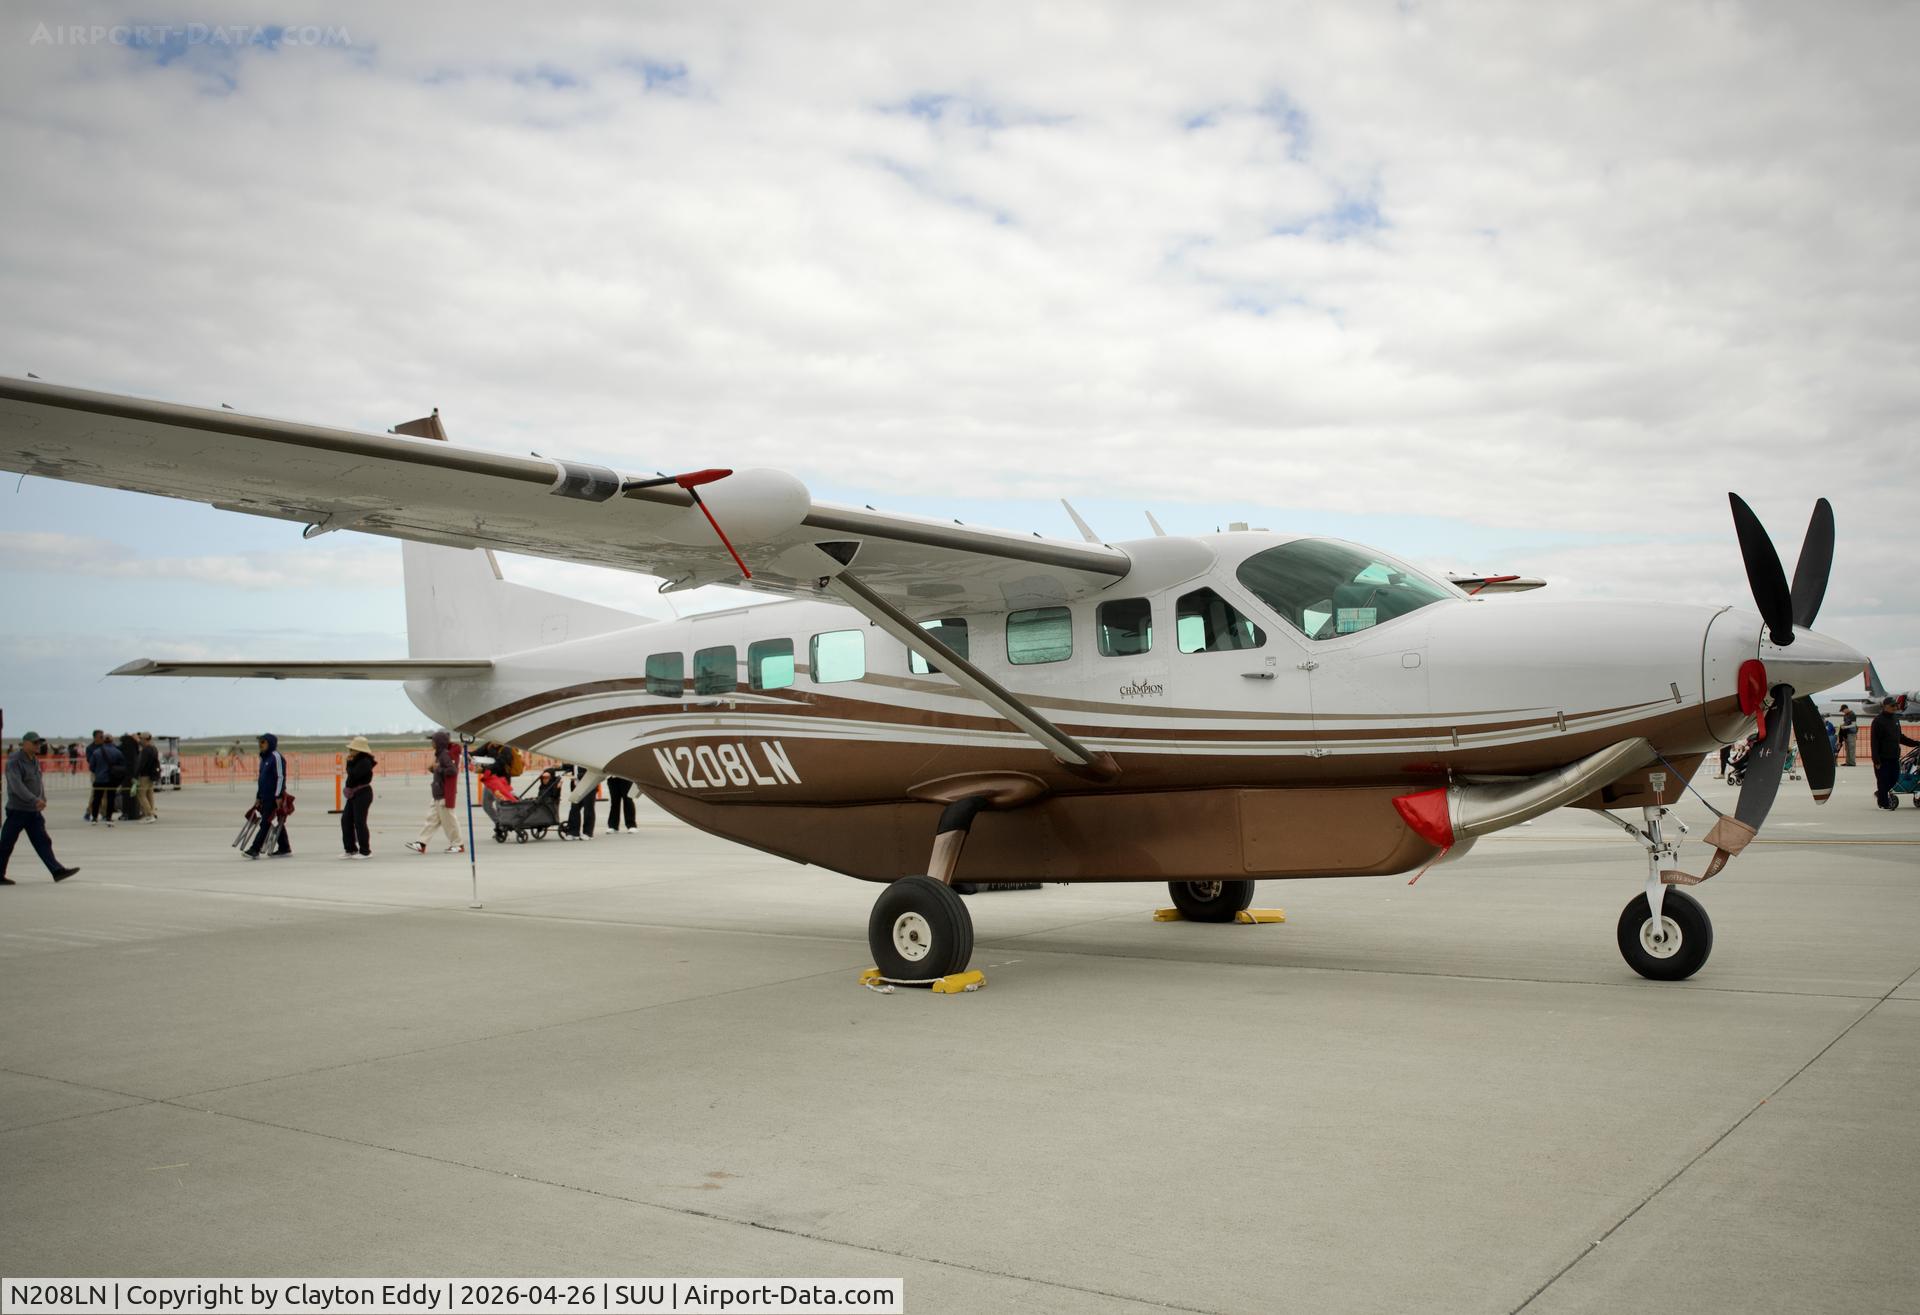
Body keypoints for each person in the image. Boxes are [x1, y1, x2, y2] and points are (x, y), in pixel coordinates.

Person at [2, 732, 81, 886]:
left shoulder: (34, 760)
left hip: (33, 812)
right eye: (35, 743)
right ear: (24, 744)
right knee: (6, 843)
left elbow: (38, 781)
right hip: (17, 810)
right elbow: (16, 785)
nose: (38, 746)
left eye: (39, 743)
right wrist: (34, 799)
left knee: (43, 841)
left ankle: (57, 871)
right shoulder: (14, 761)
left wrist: (42, 797)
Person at [406, 730, 465, 854]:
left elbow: (452, 771)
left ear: (439, 742)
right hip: (438, 794)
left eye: (433, 741)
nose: (431, 743)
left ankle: (458, 845)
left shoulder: (444, 755)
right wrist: (435, 770)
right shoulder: (440, 754)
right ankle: (421, 843)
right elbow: (443, 772)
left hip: (443, 794)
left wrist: (438, 769)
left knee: (450, 821)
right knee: (431, 820)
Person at [244, 732, 292, 858]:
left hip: (274, 797)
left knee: (265, 823)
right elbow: (262, 780)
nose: (260, 744)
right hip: (264, 797)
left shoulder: (276, 757)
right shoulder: (264, 758)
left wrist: (278, 796)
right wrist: (258, 797)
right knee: (275, 822)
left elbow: (281, 777)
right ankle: (284, 847)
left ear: (270, 743)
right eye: (259, 742)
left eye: (263, 742)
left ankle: (255, 848)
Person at [340, 735, 376, 859]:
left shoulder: (365, 761)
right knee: (346, 820)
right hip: (353, 794)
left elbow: (354, 774)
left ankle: (365, 851)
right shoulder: (355, 760)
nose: (350, 752)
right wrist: (349, 762)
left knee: (360, 822)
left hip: (363, 794)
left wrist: (349, 763)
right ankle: (350, 849)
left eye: (352, 749)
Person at [1870, 697, 1905, 810]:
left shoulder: (1895, 719)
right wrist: (1876, 760)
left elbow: (1900, 737)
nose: (1895, 708)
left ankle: (1881, 794)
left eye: (1896, 706)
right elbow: (1874, 742)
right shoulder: (1878, 721)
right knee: (1883, 780)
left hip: (1894, 756)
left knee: (1895, 778)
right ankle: (1884, 803)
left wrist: (1916, 743)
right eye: (1892, 706)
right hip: (1882, 757)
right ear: (1885, 706)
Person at [86, 729, 125, 826]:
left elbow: (91, 766)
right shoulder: (117, 752)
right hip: (112, 779)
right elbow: (122, 765)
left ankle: (94, 818)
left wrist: (98, 772)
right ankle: (108, 817)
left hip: (99, 779)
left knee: (97, 798)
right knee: (110, 798)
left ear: (104, 740)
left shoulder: (96, 752)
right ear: (112, 741)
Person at [562, 764, 596, 840]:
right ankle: (573, 832)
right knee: (574, 808)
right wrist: (560, 766)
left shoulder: (586, 759)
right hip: (577, 787)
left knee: (588, 809)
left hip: (589, 786)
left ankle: (588, 833)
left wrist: (576, 776)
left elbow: (592, 772)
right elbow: (571, 766)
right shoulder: (575, 760)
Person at [134, 732, 161, 823]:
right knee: (149, 795)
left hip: (144, 776)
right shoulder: (154, 748)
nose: (140, 740)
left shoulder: (146, 750)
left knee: (141, 795)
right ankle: (151, 813)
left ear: (145, 739)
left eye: (141, 738)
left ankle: (149, 814)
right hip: (151, 776)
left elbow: (141, 764)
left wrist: (135, 775)